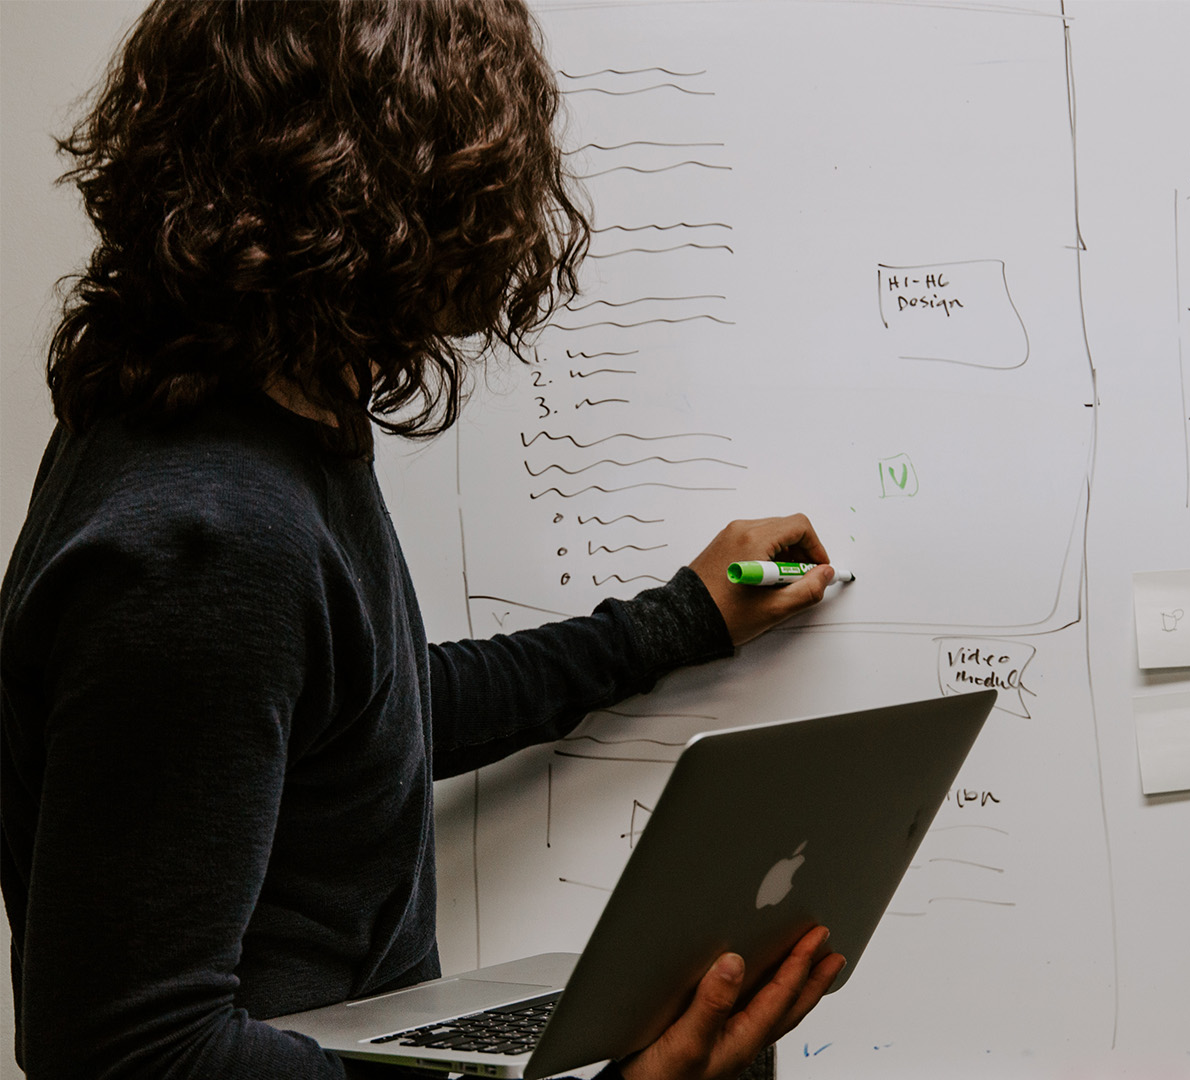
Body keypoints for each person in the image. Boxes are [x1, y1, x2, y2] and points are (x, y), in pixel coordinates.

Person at [0, 2, 845, 1078]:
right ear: (390, 195)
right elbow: (125, 1051)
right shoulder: (203, 538)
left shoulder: (260, 428)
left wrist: (679, 620)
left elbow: (358, 721)